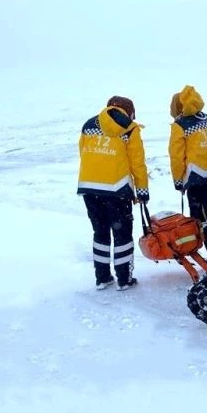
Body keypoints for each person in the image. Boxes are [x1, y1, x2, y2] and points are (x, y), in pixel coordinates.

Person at [77, 95, 149, 290]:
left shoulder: (88, 125)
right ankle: (124, 279)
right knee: (122, 235)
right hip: (117, 190)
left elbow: (82, 152)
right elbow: (137, 162)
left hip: (90, 189)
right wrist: (142, 190)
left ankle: (102, 277)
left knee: (100, 233)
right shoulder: (130, 128)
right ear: (129, 111)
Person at [169, 85, 207, 266]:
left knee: (204, 220)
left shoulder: (180, 125)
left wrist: (178, 180)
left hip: (200, 179)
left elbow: (177, 157)